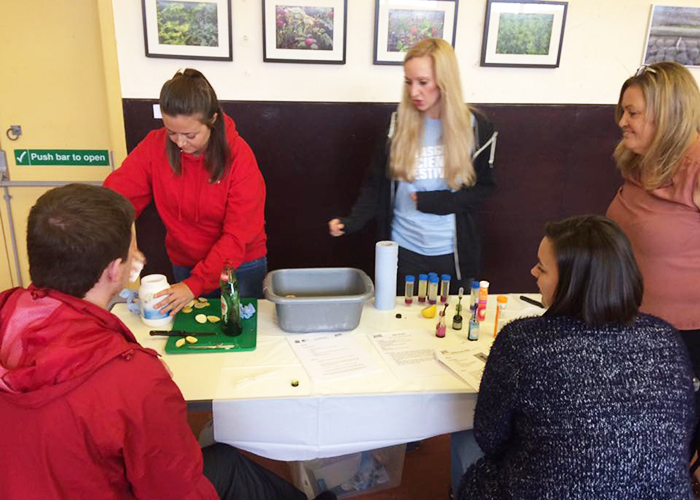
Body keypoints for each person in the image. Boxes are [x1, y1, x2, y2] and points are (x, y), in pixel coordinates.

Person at [0, 184, 333, 500]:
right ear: (116, 271)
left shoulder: (8, 313)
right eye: (133, 249)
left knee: (225, 462)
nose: (138, 254)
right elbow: (178, 489)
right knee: (225, 466)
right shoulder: (134, 381)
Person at [455, 215, 696, 499]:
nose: (532, 272)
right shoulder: (665, 337)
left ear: (572, 284)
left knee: (465, 445)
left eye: (542, 269)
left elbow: (490, 439)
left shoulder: (523, 342)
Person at [328, 38, 497, 292]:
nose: (413, 92)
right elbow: (375, 186)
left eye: (423, 82)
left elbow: (484, 188)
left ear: (445, 81)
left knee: (448, 327)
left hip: (453, 253)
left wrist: (437, 202)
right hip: (403, 250)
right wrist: (352, 221)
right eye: (408, 82)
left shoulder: (478, 129)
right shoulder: (396, 125)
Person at [105, 68, 267, 315]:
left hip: (240, 266)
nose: (180, 142)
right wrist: (121, 241)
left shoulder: (239, 157)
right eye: (172, 132)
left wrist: (195, 285)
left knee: (238, 338)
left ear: (212, 120)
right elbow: (114, 198)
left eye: (190, 134)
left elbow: (237, 237)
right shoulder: (154, 146)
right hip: (185, 263)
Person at [606, 62, 700, 376]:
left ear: (669, 114)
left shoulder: (696, 167)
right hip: (630, 320)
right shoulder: (639, 160)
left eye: (633, 113)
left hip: (685, 338)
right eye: (622, 112)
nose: (622, 122)